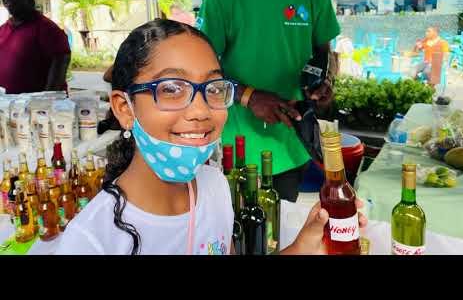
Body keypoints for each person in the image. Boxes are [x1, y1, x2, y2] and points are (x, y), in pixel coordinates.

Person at [55, 19, 366, 255]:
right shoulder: (91, 241)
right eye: (172, 89)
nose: (201, 111)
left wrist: (305, 244)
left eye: (214, 88)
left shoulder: (214, 186)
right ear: (125, 108)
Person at [196, 0, 340, 202]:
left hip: (293, 141)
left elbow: (324, 51)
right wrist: (250, 97)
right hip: (239, 150)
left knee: (275, 227)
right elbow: (201, 72)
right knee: (241, 228)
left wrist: (326, 81)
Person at [0, 0, 71, 94]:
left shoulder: (48, 29)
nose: (11, 0)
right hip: (7, 106)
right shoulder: (2, 30)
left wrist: (45, 103)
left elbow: (60, 64)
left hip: (36, 107)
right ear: (4, 1)